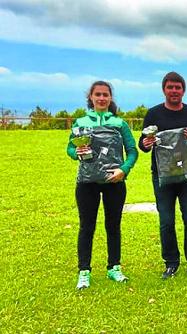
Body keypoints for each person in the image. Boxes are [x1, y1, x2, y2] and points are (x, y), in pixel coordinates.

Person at [67, 81, 138, 289]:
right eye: (97, 94)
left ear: (110, 98)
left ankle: (114, 267)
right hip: (86, 182)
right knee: (86, 227)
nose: (101, 98)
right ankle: (84, 271)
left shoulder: (119, 123)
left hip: (114, 182)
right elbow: (70, 149)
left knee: (113, 226)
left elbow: (132, 151)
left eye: (105, 94)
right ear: (90, 97)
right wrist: (76, 153)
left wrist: (123, 170)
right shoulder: (80, 122)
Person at [138, 72, 187, 279]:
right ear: (164, 90)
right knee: (166, 221)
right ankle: (171, 263)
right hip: (162, 177)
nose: (174, 91)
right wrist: (145, 144)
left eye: (178, 87)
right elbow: (143, 145)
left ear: (183, 90)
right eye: (170, 87)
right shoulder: (153, 114)